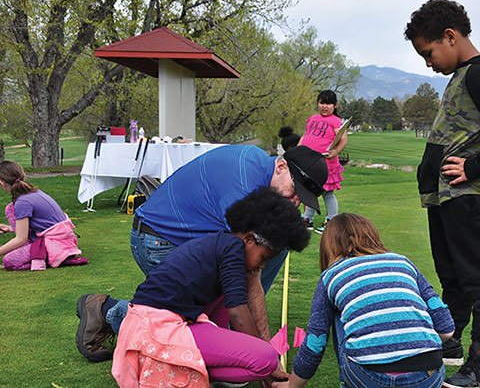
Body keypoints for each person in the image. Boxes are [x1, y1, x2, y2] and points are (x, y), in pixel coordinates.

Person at [76, 144, 328, 362]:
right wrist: (263, 351)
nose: (296, 202)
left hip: (191, 242)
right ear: (281, 166)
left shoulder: (260, 165)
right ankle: (108, 311)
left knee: (276, 242)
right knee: (188, 335)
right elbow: (250, 279)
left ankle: (228, 332)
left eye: (303, 199)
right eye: (295, 191)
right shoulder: (242, 190)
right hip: (158, 242)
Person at [404, 0, 480, 388]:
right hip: (444, 196)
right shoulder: (462, 75)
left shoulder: (478, 73)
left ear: (450, 37)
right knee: (450, 274)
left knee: (476, 276)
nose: (428, 63)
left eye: (429, 52)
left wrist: (475, 166)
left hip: (465, 195)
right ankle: (450, 341)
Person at [111, 188, 311, 387]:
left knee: (231, 305)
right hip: (158, 327)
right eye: (263, 257)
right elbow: (238, 314)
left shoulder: (221, 244)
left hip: (151, 323)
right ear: (249, 239)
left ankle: (188, 365)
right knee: (266, 358)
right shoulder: (233, 249)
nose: (262, 266)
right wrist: (268, 360)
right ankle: (179, 366)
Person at [285, 213, 455, 388]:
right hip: (429, 373)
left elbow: (316, 341)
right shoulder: (403, 262)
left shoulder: (331, 275)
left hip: (368, 377)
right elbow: (446, 328)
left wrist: (291, 385)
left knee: (338, 313)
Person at [0, 160, 87, 271]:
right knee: (10, 208)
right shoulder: (34, 193)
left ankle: (48, 259)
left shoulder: (23, 202)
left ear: (2, 183)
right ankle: (32, 251)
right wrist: (9, 228)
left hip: (55, 244)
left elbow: (21, 239)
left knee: (9, 261)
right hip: (65, 239)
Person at [300, 90, 348, 233]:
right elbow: (305, 136)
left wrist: (336, 151)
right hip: (309, 162)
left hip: (326, 164)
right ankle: (307, 219)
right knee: (310, 192)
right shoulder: (312, 119)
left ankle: (332, 221)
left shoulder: (336, 121)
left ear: (335, 105)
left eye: (328, 103)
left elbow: (343, 139)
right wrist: (297, 151)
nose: (324, 106)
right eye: (322, 103)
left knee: (328, 193)